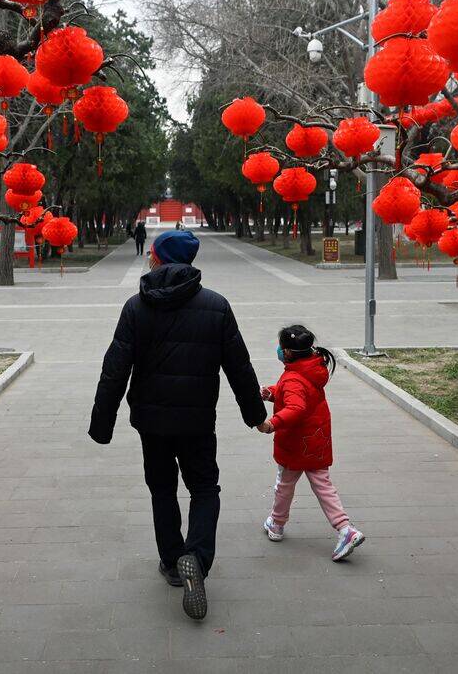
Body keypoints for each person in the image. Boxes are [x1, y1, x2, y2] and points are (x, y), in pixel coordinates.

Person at [90, 229, 267, 621]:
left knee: (162, 489)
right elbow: (239, 366)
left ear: (157, 258)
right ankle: (198, 559)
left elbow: (114, 369)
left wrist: (102, 423)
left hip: (151, 423)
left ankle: (172, 562)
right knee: (205, 487)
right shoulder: (217, 306)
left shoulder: (136, 306)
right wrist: (255, 415)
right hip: (199, 420)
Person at [259, 325, 365, 561]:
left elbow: (296, 405)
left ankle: (276, 524)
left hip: (296, 444)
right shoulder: (312, 368)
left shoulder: (294, 377)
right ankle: (345, 529)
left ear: (286, 352)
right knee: (324, 486)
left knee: (284, 485)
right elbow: (297, 394)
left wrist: (272, 424)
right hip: (316, 440)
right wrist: (271, 393)